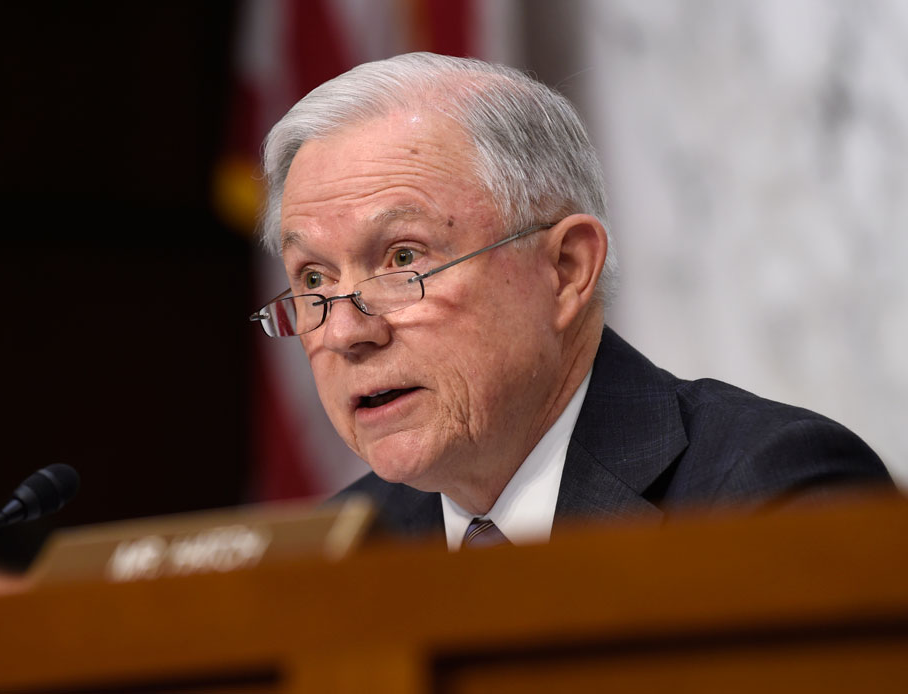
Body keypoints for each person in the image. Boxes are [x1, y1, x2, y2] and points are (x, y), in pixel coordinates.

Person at [249, 53, 892, 549]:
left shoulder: (769, 495)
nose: (344, 333)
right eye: (312, 281)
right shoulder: (344, 548)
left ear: (566, 269)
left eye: (403, 259)